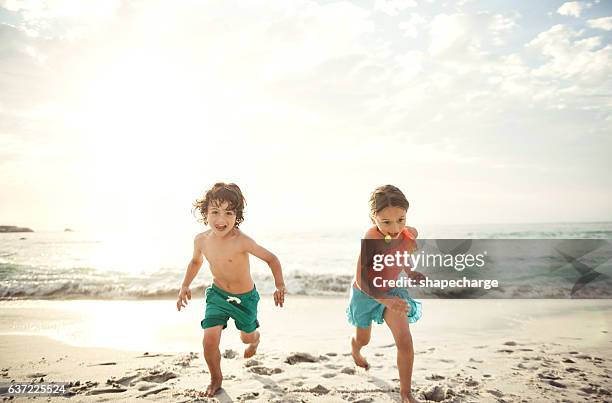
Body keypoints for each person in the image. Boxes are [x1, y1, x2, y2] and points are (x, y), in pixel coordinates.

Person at [176, 182, 286, 397]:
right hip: (217, 295)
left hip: (245, 299)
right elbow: (195, 262)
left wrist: (279, 285)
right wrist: (185, 285)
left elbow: (271, 259)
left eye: (228, 213)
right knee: (209, 340)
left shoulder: (242, 241)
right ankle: (216, 378)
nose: (221, 219)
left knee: (246, 338)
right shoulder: (201, 240)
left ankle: (255, 338)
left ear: (237, 215)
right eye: (215, 212)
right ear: (205, 213)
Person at [347, 184, 424, 403]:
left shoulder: (407, 233)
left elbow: (400, 254)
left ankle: (405, 393)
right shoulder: (371, 238)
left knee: (404, 339)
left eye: (401, 219)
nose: (395, 227)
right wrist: (383, 299)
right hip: (366, 293)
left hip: (391, 290)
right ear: (374, 219)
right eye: (386, 222)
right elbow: (361, 279)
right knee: (364, 338)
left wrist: (410, 272)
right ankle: (355, 351)